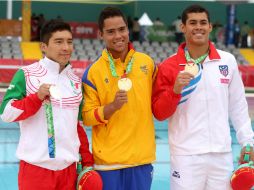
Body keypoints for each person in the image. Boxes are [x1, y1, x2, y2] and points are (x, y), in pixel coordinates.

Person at [152, 4, 254, 190]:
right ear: (183, 27)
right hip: (186, 156)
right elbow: (159, 113)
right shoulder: (168, 66)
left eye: (203, 22)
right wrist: (175, 90)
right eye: (192, 23)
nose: (198, 27)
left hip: (221, 154)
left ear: (210, 27)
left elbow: (238, 106)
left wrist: (247, 142)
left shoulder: (227, 61)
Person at [0, 20, 94, 190]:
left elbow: (77, 127)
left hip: (68, 171)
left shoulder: (75, 82)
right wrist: (36, 98)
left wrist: (88, 163)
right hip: (36, 171)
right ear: (43, 46)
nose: (66, 47)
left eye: (69, 41)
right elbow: (6, 113)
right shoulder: (26, 74)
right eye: (59, 42)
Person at [82, 6, 157, 190]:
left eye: (122, 29)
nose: (118, 36)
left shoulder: (146, 63)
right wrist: (112, 106)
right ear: (101, 34)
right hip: (108, 163)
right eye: (111, 32)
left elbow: (159, 101)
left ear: (128, 30)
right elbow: (87, 117)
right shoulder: (93, 73)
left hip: (141, 160)